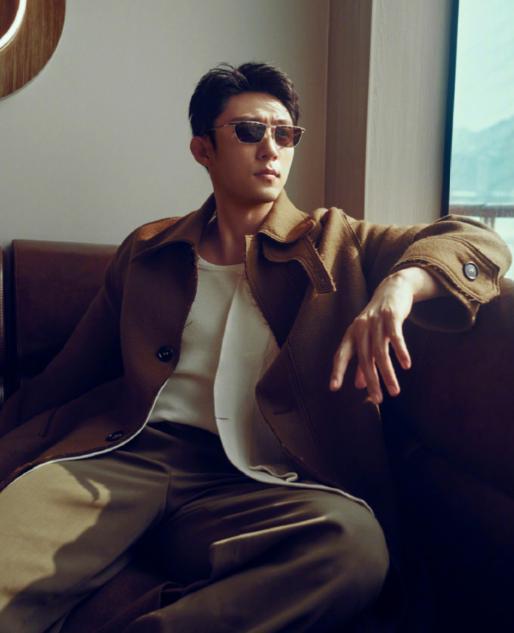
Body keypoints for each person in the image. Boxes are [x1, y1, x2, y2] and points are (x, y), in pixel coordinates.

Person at [0, 62, 510, 633]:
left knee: (356, 547)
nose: (272, 149)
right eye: (249, 131)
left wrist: (399, 287)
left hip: (254, 487)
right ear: (203, 149)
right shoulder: (148, 251)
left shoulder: (336, 243)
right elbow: (69, 374)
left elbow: (478, 242)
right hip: (125, 461)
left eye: (284, 134)